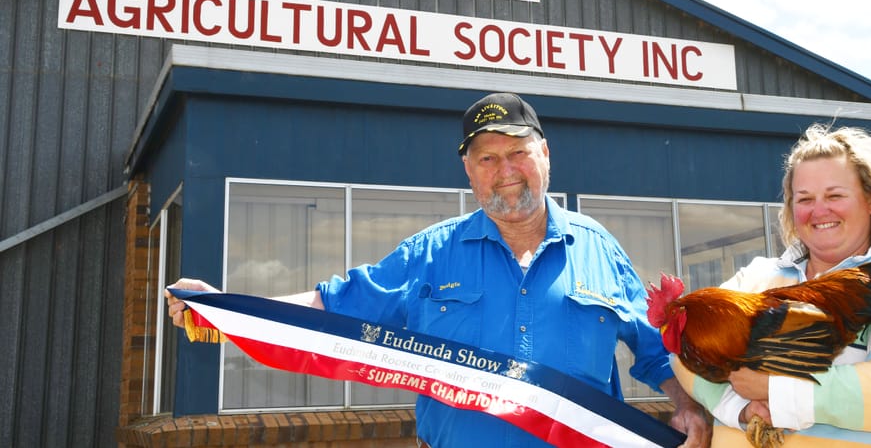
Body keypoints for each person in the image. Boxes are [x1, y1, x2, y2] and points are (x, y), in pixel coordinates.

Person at [166, 92, 711, 448]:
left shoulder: (600, 249)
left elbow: (654, 350)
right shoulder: (429, 254)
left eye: (518, 152)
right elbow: (328, 309)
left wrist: (687, 405)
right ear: (468, 171)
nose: (505, 171)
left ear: (545, 154)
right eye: (487, 158)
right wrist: (223, 310)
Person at [670, 123, 871, 447]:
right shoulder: (756, 277)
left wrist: (778, 390)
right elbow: (684, 356)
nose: (818, 210)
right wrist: (740, 407)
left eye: (835, 195)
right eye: (804, 199)